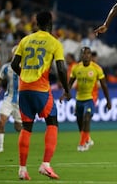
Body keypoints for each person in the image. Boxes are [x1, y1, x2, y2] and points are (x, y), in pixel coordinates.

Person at [11, 11, 71, 180]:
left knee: (27, 127)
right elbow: (61, 68)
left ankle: (22, 169)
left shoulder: (25, 40)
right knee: (52, 122)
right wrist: (66, 89)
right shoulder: (54, 42)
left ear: (36, 23)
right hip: (41, 88)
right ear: (50, 23)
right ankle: (45, 164)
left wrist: (24, 75)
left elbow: (14, 64)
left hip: (24, 89)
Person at [68, 47, 111, 152]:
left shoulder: (97, 68)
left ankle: (82, 144)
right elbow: (69, 83)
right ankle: (87, 138)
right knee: (80, 122)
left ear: (90, 55)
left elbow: (104, 86)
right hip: (79, 98)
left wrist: (108, 101)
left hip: (91, 98)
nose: (86, 55)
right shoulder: (76, 68)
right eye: (83, 54)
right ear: (81, 56)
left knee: (86, 118)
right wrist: (66, 93)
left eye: (88, 54)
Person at [0, 45, 21, 153]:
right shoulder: (6, 67)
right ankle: (0, 146)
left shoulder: (26, 68)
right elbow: (0, 79)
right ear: (12, 54)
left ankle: (24, 143)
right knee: (2, 121)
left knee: (18, 127)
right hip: (8, 98)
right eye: (15, 53)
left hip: (20, 100)